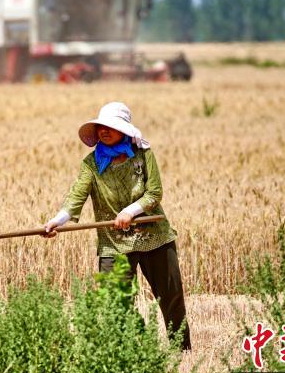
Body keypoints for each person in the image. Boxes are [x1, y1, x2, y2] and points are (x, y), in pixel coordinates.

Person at [43, 102, 191, 351]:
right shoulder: (91, 164)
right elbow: (75, 197)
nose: (104, 131)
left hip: (154, 236)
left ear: (124, 130)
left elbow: (154, 193)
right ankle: (142, 350)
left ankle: (183, 352)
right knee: (114, 303)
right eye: (101, 126)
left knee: (171, 298)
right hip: (113, 243)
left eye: (110, 127)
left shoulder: (143, 156)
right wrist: (56, 221)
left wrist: (130, 212)